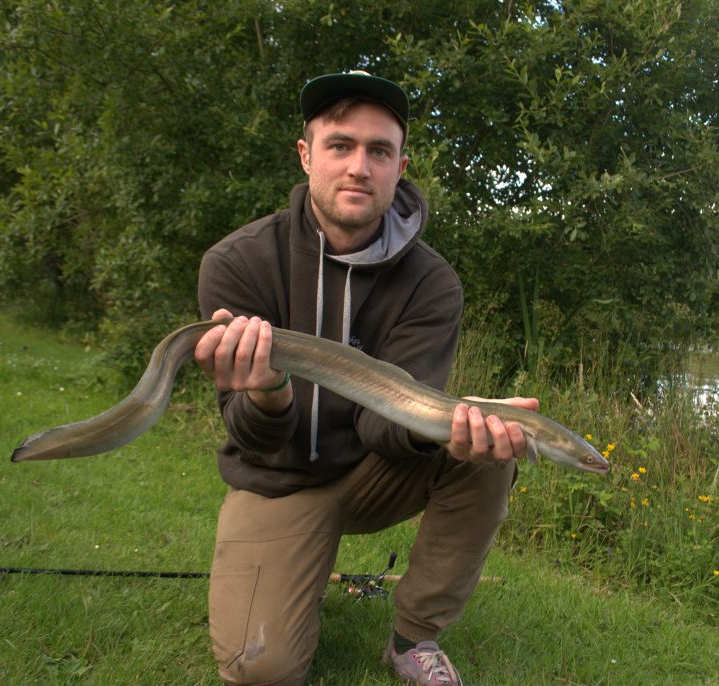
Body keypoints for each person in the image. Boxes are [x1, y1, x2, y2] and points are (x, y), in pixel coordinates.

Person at [194, 71, 537, 686]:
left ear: (400, 166)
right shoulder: (238, 262)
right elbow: (250, 438)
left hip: (375, 470)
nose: (360, 166)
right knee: (261, 671)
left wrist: (449, 424)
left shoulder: (432, 284)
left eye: (379, 151)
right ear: (306, 156)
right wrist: (269, 394)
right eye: (340, 145)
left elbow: (386, 424)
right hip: (277, 481)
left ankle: (413, 639)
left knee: (490, 451)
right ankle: (292, 568)